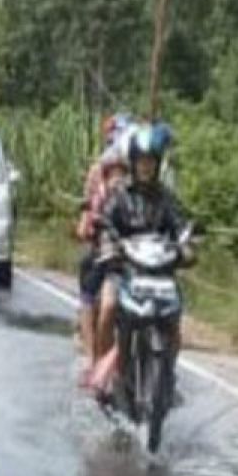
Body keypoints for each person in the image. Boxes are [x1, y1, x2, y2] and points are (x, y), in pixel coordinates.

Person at [94, 122, 194, 381]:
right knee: (107, 307)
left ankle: (167, 372)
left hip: (159, 274)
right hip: (123, 269)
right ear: (133, 162)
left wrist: (187, 247)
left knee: (174, 322)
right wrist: (107, 242)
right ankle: (102, 370)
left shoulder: (167, 198)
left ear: (158, 163)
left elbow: (181, 226)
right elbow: (105, 222)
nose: (145, 166)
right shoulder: (120, 195)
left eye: (150, 161)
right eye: (141, 161)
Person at [76, 114, 134, 361]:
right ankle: (92, 357)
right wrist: (91, 224)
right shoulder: (97, 177)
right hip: (105, 248)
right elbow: (88, 213)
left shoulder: (144, 181)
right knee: (90, 290)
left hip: (136, 251)